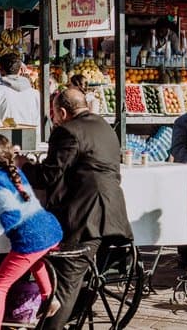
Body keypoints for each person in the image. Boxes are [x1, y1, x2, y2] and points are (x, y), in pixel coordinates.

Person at [22, 88, 133, 330]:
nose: (54, 119)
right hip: (111, 212)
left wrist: (23, 166)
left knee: (65, 281)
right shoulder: (104, 126)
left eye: (54, 114)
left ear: (62, 112)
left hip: (85, 216)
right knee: (75, 276)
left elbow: (49, 176)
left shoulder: (67, 131)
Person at [0, 133, 63, 330]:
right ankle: (49, 298)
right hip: (50, 231)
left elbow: (12, 215)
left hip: (31, 239)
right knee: (35, 261)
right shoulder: (14, 171)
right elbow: (11, 193)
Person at [0, 53, 40, 136]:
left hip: (2, 142)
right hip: (30, 141)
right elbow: (39, 125)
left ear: (1, 71)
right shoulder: (35, 94)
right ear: (20, 70)